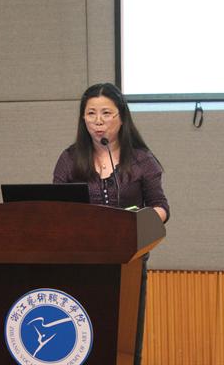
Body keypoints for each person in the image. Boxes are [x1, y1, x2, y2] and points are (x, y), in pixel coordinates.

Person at [53, 82, 169, 365]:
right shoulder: (69, 160)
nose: (98, 121)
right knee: (85, 339)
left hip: (129, 261)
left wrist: (140, 223)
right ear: (83, 118)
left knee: (125, 341)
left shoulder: (141, 160)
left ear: (122, 116)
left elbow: (161, 207)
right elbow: (55, 208)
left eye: (106, 113)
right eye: (91, 113)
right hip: (82, 263)